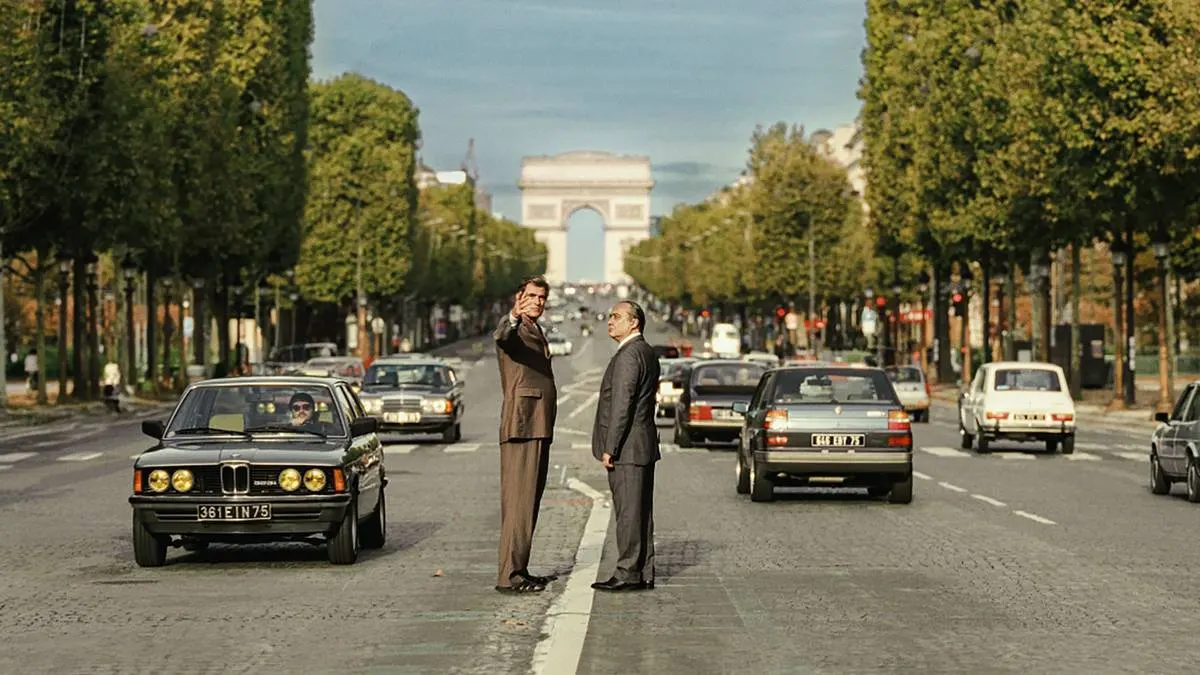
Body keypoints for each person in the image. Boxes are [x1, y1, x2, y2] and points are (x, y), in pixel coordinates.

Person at [492, 275, 558, 593]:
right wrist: (514, 317)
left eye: (542, 297)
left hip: (536, 423)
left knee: (528, 501)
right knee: (519, 502)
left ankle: (520, 567)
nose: (537, 301)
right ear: (519, 298)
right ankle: (510, 576)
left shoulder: (535, 328)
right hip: (523, 423)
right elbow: (503, 337)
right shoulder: (516, 327)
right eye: (531, 296)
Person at [590, 300, 660, 592]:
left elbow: (622, 404)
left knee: (629, 514)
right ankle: (642, 571)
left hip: (628, 448)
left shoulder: (629, 355)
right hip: (641, 445)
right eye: (610, 316)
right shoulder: (645, 351)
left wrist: (611, 447)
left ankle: (627, 572)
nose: (610, 321)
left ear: (634, 322)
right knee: (641, 513)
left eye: (617, 317)